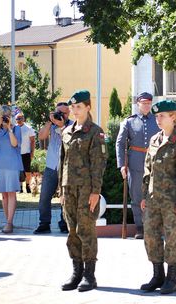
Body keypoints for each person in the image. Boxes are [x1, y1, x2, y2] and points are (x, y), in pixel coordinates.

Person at [139, 100, 176, 294]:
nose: (158, 119)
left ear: (173, 117)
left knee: (172, 238)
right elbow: (148, 169)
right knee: (150, 236)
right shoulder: (154, 140)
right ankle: (157, 276)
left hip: (172, 203)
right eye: (156, 116)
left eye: (161, 116)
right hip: (153, 200)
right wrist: (144, 195)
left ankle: (171, 279)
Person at [59, 90, 107, 292]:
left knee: (85, 230)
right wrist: (60, 189)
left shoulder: (95, 132)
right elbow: (62, 162)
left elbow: (99, 164)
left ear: (88, 107)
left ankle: (89, 275)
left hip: (87, 190)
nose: (75, 110)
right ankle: (76, 272)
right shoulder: (67, 132)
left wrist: (96, 191)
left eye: (79, 107)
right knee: (71, 231)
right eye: (73, 107)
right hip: (68, 188)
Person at [116, 92, 159, 239]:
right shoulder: (129, 122)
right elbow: (120, 143)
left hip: (155, 163)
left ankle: (152, 226)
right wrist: (122, 165)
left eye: (149, 103)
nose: (146, 106)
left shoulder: (157, 120)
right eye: (144, 103)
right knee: (136, 196)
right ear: (138, 104)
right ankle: (140, 227)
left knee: (154, 195)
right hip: (135, 163)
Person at [33, 102, 72, 234]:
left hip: (66, 167)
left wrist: (62, 125)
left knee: (65, 196)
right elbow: (41, 136)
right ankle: (44, 223)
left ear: (68, 113)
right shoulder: (52, 124)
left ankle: (64, 223)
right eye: (58, 112)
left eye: (64, 113)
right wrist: (50, 122)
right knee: (44, 196)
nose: (61, 115)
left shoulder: (72, 125)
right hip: (51, 166)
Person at [0, 105, 23, 234]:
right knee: (4, 194)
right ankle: (7, 220)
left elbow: (14, 144)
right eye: (2, 116)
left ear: (11, 117)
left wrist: (9, 128)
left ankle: (9, 223)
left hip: (12, 165)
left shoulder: (16, 129)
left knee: (11, 193)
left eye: (6, 116)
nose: (3, 118)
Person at [14, 112, 36, 193]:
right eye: (17, 119)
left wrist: (32, 152)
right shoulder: (14, 128)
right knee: (18, 171)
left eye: (20, 118)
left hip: (26, 153)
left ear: (23, 119)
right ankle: (19, 188)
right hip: (16, 153)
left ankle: (28, 187)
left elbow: (33, 141)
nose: (19, 120)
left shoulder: (29, 128)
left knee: (27, 171)